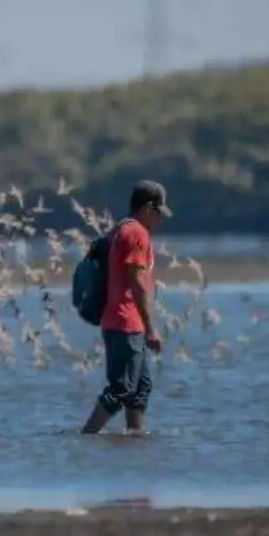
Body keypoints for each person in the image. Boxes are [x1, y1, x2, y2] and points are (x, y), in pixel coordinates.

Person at [80, 180, 170, 434]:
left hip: (123, 322)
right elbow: (137, 280)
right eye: (158, 213)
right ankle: (86, 436)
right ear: (147, 207)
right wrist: (151, 328)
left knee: (140, 387)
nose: (160, 220)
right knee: (123, 387)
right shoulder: (136, 233)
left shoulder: (121, 229)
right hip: (125, 322)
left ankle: (134, 437)